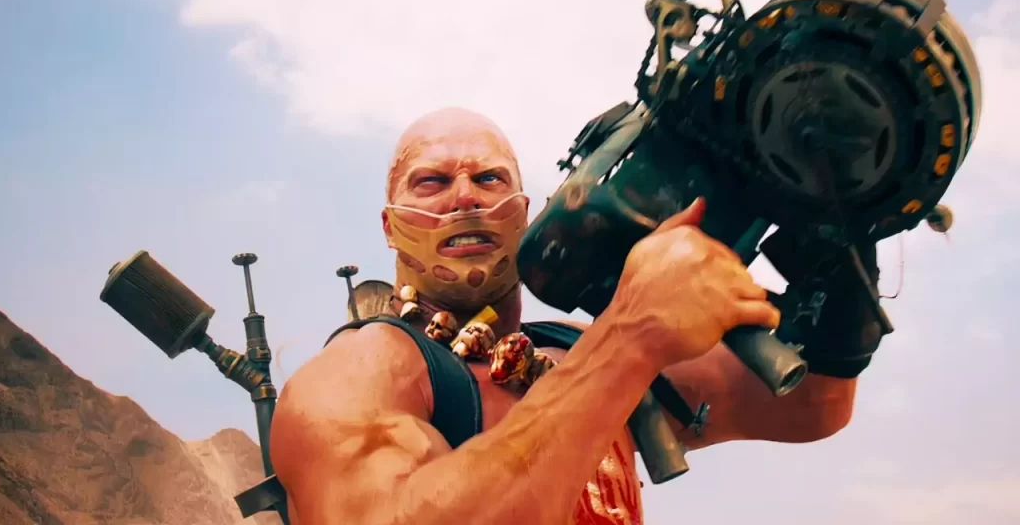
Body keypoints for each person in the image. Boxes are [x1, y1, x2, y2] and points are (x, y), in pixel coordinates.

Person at [270, 107, 885, 525]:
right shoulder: (361, 369)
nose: (465, 197)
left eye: (490, 178)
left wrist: (842, 236)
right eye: (431, 182)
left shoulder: (572, 348)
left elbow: (811, 403)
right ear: (390, 226)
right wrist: (629, 337)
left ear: (525, 212)